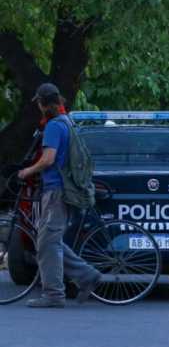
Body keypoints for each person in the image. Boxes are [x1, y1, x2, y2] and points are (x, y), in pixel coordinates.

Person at [17, 83, 102, 308]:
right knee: (49, 240)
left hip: (56, 190)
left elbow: (48, 159)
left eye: (39, 103)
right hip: (62, 190)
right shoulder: (67, 122)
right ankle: (87, 275)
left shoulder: (54, 126)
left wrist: (27, 171)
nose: (38, 107)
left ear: (45, 104)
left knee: (47, 242)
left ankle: (54, 294)